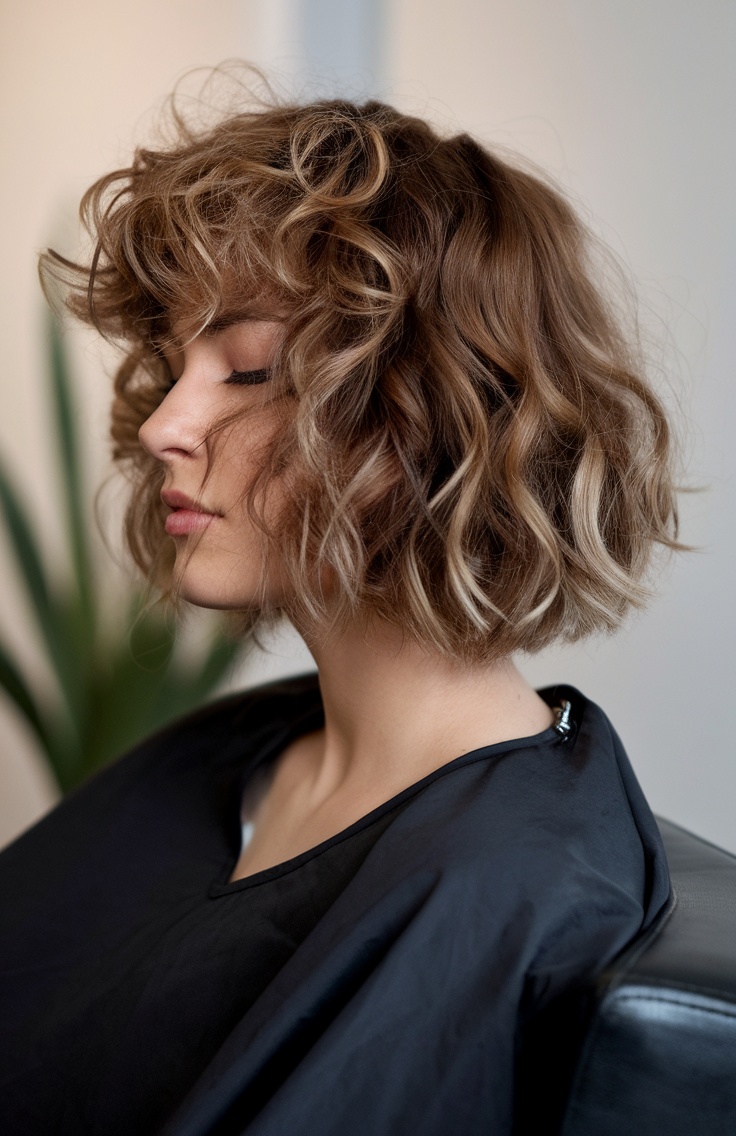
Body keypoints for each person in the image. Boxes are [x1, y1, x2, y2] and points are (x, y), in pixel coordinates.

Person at [0, 81, 680, 1135]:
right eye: (178, 366)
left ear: (428, 414)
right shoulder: (239, 752)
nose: (162, 426)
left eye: (249, 370)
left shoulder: (498, 888)